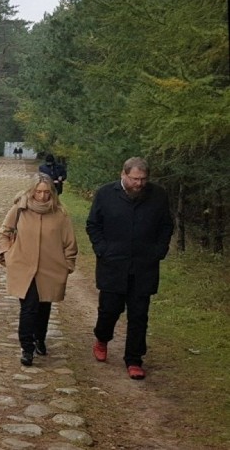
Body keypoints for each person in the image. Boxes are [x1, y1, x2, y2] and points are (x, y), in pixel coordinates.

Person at [86, 157, 174, 380]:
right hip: (113, 264)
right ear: (123, 175)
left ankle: (134, 359)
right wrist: (102, 248)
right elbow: (93, 224)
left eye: (143, 179)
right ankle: (102, 338)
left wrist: (159, 250)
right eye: (135, 179)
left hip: (144, 266)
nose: (139, 184)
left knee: (139, 315)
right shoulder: (106, 194)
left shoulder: (158, 195)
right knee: (109, 310)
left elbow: (166, 226)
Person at [0, 173, 78, 367]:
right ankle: (27, 347)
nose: (42, 196)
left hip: (51, 267)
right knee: (29, 307)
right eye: (39, 192)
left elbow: (69, 242)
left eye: (46, 192)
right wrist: (6, 253)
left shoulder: (60, 213)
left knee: (44, 306)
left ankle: (39, 338)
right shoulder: (20, 208)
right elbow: (4, 232)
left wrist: (68, 264)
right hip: (23, 266)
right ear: (32, 191)